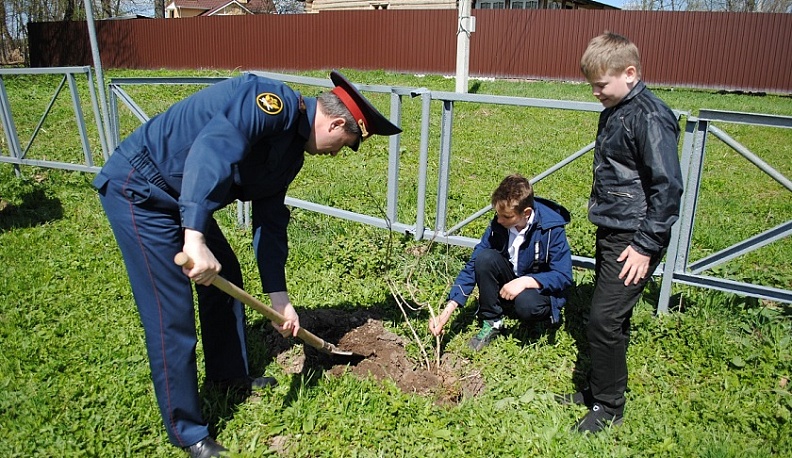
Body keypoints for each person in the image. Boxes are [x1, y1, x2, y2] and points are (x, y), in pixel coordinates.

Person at [92, 70, 401, 457]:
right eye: (345, 144)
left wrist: (279, 299)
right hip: (143, 189)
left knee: (227, 277)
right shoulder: (270, 103)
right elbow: (213, 148)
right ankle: (187, 432)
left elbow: (269, 224)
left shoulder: (291, 155)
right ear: (337, 124)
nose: (338, 153)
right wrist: (194, 237)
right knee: (170, 314)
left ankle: (227, 375)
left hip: (182, 196)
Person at [558, 32, 683, 434]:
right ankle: (599, 389)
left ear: (630, 73)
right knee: (613, 317)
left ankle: (610, 406)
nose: (595, 92)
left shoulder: (649, 116)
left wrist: (645, 245)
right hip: (614, 229)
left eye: (600, 84)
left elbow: (668, 187)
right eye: (592, 85)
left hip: (635, 236)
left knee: (604, 320)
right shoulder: (617, 108)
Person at [429, 174, 573, 351]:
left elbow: (563, 275)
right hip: (512, 276)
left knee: (527, 305)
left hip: (536, 286)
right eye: (497, 214)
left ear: (526, 213)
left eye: (506, 216)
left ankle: (532, 318)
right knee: (485, 258)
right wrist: (447, 311)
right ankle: (492, 321)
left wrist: (525, 282)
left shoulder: (551, 228)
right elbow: (474, 263)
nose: (499, 220)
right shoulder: (500, 224)